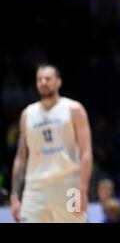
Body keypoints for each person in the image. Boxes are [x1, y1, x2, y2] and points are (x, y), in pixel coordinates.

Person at [10, 63, 92, 222]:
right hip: (35, 189)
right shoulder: (27, 114)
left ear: (58, 82)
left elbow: (86, 152)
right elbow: (20, 158)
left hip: (69, 186)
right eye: (39, 79)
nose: (43, 82)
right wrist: (14, 194)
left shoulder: (74, 109)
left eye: (48, 78)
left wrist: (83, 188)